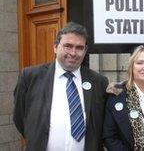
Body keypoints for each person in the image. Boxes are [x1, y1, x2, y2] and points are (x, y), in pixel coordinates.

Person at [13, 22, 109, 151]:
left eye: (79, 48)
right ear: (55, 47)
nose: (73, 53)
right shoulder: (30, 77)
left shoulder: (99, 82)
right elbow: (19, 116)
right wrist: (36, 137)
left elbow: (102, 123)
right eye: (68, 46)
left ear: (85, 51)